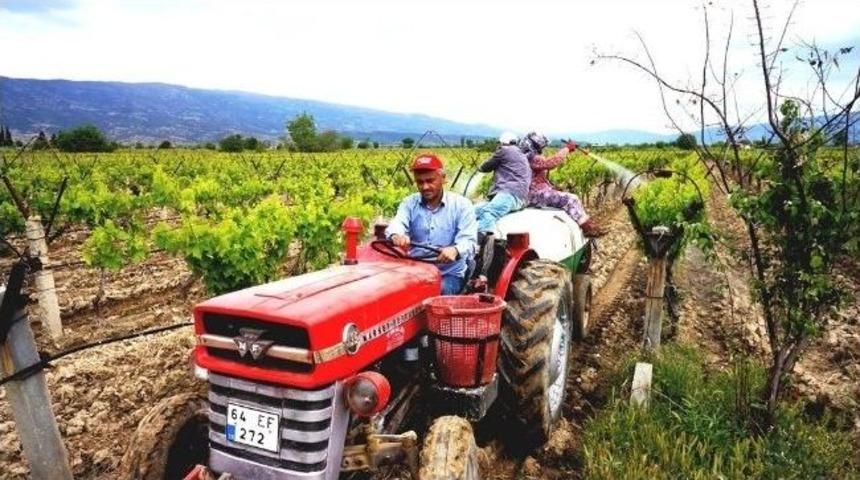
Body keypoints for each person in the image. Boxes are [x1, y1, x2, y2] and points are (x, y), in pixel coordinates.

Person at [386, 153, 478, 295]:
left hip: (447, 273)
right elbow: (398, 222)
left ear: (443, 179)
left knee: (436, 293)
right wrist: (396, 234)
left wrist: (455, 250)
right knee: (390, 291)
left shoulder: (462, 205)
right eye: (420, 182)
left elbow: (469, 242)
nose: (425, 187)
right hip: (415, 271)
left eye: (430, 180)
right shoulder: (409, 203)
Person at [520, 132, 604, 236]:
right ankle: (588, 229)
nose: (542, 149)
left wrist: (551, 187)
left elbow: (540, 178)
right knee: (572, 199)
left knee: (563, 195)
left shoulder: (526, 157)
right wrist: (567, 149)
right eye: (541, 147)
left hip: (535, 192)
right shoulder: (531, 158)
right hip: (535, 195)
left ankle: (587, 224)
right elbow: (551, 162)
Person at [474, 132, 532, 236]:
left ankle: (479, 243)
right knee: (473, 211)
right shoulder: (521, 155)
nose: (499, 146)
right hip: (520, 198)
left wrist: (478, 168)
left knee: (489, 213)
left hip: (509, 193)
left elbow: (486, 167)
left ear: (503, 142)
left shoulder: (505, 150)